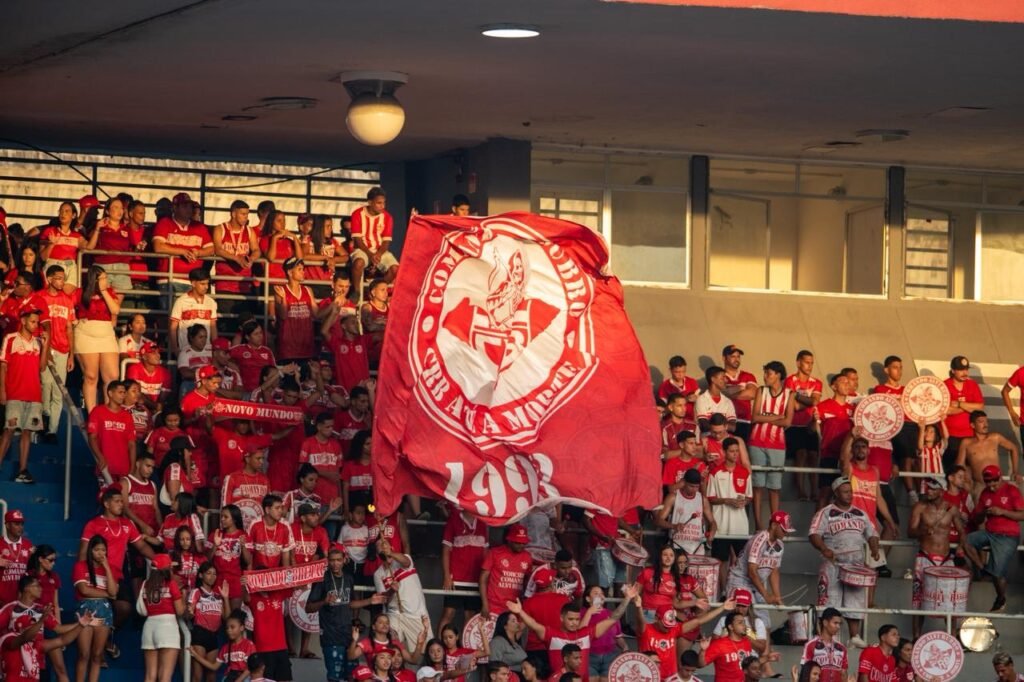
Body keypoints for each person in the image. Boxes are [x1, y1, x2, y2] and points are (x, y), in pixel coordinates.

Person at [506, 583, 639, 682]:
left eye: (577, 619)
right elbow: (534, 625)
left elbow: (613, 618)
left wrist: (627, 598)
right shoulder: (552, 635)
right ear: (561, 618)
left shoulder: (586, 633)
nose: (574, 623)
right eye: (570, 619)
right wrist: (520, 612)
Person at [809, 477, 880, 648]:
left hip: (855, 565)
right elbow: (814, 534)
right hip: (832, 563)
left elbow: (872, 533)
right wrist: (823, 548)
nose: (849, 495)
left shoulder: (860, 513)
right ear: (836, 493)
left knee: (855, 601)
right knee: (830, 600)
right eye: (845, 492)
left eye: (851, 492)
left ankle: (854, 637)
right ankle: (829, 638)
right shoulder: (825, 513)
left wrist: (874, 548)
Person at [307, 546, 385, 682]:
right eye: (332, 560)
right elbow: (308, 608)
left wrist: (370, 601)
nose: (335, 563)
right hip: (330, 637)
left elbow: (350, 604)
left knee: (353, 676)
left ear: (344, 560)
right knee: (335, 677)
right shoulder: (322, 580)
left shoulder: (348, 578)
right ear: (328, 561)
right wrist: (324, 601)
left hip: (347, 636)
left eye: (338, 560)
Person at [0, 575, 94, 682]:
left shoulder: (41, 610)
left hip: (37, 656)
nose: (41, 588)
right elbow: (24, 637)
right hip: (13, 654)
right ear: (26, 588)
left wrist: (80, 624)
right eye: (37, 585)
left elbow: (59, 631)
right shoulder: (10, 608)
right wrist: (40, 621)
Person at [908, 476, 966, 638]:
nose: (929, 491)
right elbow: (910, 531)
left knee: (950, 601)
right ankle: (916, 638)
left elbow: (962, 532)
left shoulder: (952, 509)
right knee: (918, 599)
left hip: (946, 558)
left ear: (941, 491)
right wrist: (923, 531)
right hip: (925, 556)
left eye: (933, 489)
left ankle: (951, 637)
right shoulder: (920, 507)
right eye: (928, 488)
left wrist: (961, 546)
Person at [964, 464, 1024, 612]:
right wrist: (983, 513)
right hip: (989, 533)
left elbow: (1022, 514)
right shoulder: (985, 493)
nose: (991, 486)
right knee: (966, 541)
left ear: (1000, 478)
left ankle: (1001, 599)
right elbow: (976, 520)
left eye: (994, 482)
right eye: (988, 483)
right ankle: (982, 568)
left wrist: (1002, 512)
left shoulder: (1011, 490)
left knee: (997, 573)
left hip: (1008, 536)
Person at [636, 597, 736, 681]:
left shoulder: (673, 629)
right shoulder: (646, 630)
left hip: (671, 679)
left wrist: (722, 607)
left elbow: (698, 621)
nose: (668, 629)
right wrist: (638, 607)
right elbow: (640, 620)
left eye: (670, 625)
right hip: (650, 677)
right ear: (656, 619)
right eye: (665, 626)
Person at [748, 360, 795, 529]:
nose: (765, 376)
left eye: (768, 373)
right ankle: (758, 525)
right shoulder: (761, 390)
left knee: (774, 487)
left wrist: (766, 417)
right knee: (757, 486)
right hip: (756, 442)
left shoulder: (790, 394)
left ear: (778, 375)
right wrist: (777, 417)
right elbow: (754, 417)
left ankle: (774, 525)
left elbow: (788, 422)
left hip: (777, 444)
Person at [0, 308, 44, 483]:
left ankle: (23, 470)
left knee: (27, 432)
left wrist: (47, 343)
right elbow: (3, 366)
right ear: (24, 321)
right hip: (15, 393)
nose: (35, 325)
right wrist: (2, 390)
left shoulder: (39, 342)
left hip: (34, 394)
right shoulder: (10, 338)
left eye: (37, 322)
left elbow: (42, 367)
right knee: (9, 431)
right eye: (33, 321)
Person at [74, 265, 123, 413]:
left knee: (112, 376)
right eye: (102, 278)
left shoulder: (110, 292)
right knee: (91, 376)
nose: (105, 281)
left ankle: (109, 412)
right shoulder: (80, 293)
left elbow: (115, 310)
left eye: (105, 278)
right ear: (93, 280)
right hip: (86, 334)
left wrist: (104, 291)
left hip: (106, 334)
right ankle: (92, 413)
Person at [708, 436, 752, 593]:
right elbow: (711, 498)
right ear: (724, 452)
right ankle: (724, 591)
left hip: (740, 525)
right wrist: (727, 500)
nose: (735, 454)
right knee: (721, 561)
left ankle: (739, 590)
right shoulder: (715, 472)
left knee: (741, 560)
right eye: (732, 451)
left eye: (737, 451)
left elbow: (749, 496)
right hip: (721, 524)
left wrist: (743, 502)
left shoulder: (744, 472)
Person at [725, 510, 796, 604]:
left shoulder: (780, 545)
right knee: (745, 611)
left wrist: (777, 597)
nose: (786, 533)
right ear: (774, 525)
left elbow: (774, 571)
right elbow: (752, 572)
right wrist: (766, 595)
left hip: (756, 586)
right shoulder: (759, 540)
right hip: (739, 581)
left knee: (763, 614)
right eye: (783, 530)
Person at [38, 264, 75, 443]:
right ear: (49, 279)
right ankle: (44, 416)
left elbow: (70, 329)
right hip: (44, 346)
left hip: (62, 348)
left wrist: (72, 355)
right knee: (45, 384)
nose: (62, 282)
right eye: (58, 278)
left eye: (63, 279)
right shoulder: (39, 297)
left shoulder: (67, 300)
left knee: (59, 390)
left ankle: (52, 430)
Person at [151, 192, 213, 293]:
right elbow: (158, 247)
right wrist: (183, 251)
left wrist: (198, 252)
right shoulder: (164, 223)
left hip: (194, 282)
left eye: (190, 206)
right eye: (184, 206)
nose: (189, 209)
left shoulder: (199, 227)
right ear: (175, 208)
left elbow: (211, 249)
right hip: (169, 279)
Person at [438, 507, 487, 633]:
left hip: (475, 579)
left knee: (470, 616)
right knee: (448, 613)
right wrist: (447, 576)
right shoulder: (453, 519)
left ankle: (465, 645)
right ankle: (439, 643)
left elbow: (485, 552)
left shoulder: (482, 522)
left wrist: (484, 578)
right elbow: (445, 550)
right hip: (456, 578)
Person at [139, 553, 185, 682]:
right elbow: (180, 611)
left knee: (149, 676)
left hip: (149, 627)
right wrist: (184, 597)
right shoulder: (171, 584)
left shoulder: (146, 584)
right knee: (165, 677)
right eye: (170, 567)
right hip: (167, 626)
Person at [700, 609, 780, 682]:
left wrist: (767, 658)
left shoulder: (746, 642)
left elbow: (748, 665)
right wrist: (703, 651)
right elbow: (701, 664)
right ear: (731, 627)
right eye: (740, 623)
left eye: (744, 622)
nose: (744, 625)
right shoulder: (719, 644)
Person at [785, 350, 823, 502]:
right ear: (798, 363)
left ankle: (814, 491)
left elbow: (815, 401)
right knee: (800, 453)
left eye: (812, 363)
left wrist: (797, 396)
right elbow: (793, 406)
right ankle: (800, 490)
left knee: (813, 455)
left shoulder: (817, 382)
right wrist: (808, 401)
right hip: (793, 425)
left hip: (809, 424)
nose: (810, 366)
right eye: (807, 362)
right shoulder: (790, 380)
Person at [814, 373, 854, 508]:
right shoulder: (822, 406)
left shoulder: (853, 409)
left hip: (847, 459)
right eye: (843, 382)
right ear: (833, 386)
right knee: (825, 493)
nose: (847, 385)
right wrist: (812, 421)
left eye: (848, 382)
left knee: (846, 495)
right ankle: (818, 522)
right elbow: (812, 430)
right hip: (829, 456)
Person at [956, 410, 1021, 494]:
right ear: (972, 425)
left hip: (998, 483)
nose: (985, 424)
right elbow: (960, 465)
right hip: (980, 485)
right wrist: (966, 480)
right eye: (981, 422)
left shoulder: (995, 437)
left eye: (986, 421)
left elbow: (1014, 448)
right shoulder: (966, 443)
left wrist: (1015, 471)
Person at [350, 187, 399, 295]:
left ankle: (375, 291)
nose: (383, 206)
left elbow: (386, 241)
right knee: (358, 263)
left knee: (395, 269)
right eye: (379, 203)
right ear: (370, 202)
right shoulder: (357, 214)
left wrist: (378, 254)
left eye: (384, 203)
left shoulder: (387, 217)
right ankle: (357, 292)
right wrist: (370, 254)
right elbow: (357, 240)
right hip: (362, 250)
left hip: (380, 251)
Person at [655, 468, 715, 556]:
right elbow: (658, 521)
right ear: (684, 482)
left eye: (697, 487)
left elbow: (712, 522)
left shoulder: (703, 500)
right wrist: (673, 526)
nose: (694, 490)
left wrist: (712, 532)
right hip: (677, 545)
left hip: (697, 547)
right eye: (691, 486)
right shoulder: (673, 497)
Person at [86, 380, 136, 482]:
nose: (123, 395)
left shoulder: (127, 416)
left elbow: (132, 444)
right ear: (110, 393)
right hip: (105, 469)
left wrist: (132, 467)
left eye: (124, 393)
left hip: (124, 471)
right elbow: (92, 438)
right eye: (120, 392)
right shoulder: (97, 411)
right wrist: (100, 457)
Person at [187, 563, 229, 682]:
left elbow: (226, 617)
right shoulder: (197, 592)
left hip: (213, 635)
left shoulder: (218, 595)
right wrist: (190, 611)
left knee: (211, 676)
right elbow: (189, 613)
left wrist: (226, 598)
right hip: (200, 634)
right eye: (209, 573)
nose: (212, 576)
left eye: (214, 574)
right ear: (201, 575)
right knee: (198, 675)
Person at [479, 524, 532, 619]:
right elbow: (483, 579)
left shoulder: (527, 557)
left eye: (524, 543)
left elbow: (527, 583)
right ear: (509, 540)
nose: (521, 545)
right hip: (494, 606)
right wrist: (485, 604)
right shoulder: (495, 553)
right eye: (518, 542)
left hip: (515, 607)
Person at [189, 609, 256, 682]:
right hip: (230, 677)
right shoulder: (225, 648)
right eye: (227, 628)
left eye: (232, 627)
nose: (229, 630)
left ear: (242, 628)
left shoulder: (248, 645)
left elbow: (249, 668)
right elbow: (214, 667)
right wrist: (195, 655)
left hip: (244, 678)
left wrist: (237, 681)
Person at [213, 199, 262, 299]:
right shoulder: (220, 229)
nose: (246, 217)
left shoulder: (249, 230)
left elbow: (256, 250)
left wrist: (251, 259)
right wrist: (237, 258)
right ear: (233, 214)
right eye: (243, 214)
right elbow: (218, 249)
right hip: (224, 282)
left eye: (247, 214)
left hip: (244, 283)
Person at [943, 356, 985, 471]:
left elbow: (980, 407)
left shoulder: (972, 385)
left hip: (970, 434)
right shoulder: (945, 385)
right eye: (961, 370)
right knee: (953, 469)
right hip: (951, 436)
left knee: (970, 469)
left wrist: (959, 404)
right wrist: (969, 406)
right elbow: (946, 410)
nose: (964, 373)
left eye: (966, 369)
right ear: (953, 370)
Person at [271, 257, 316, 362]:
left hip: (306, 346)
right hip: (288, 349)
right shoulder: (280, 291)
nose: (303, 272)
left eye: (303, 269)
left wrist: (334, 305)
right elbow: (283, 315)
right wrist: (283, 298)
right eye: (299, 269)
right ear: (290, 272)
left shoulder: (308, 290)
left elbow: (317, 313)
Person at [169, 267, 217, 356]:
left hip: (206, 352)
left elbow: (213, 327)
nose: (206, 287)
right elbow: (173, 327)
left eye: (207, 283)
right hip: (186, 351)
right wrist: (175, 349)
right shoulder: (181, 301)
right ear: (193, 283)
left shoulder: (211, 302)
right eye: (202, 284)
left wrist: (215, 348)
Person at [40, 200, 86, 284]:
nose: (63, 213)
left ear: (74, 215)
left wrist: (97, 229)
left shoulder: (77, 235)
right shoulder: (49, 231)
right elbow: (43, 257)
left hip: (70, 268)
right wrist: (51, 244)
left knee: (69, 291)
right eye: (61, 211)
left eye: (67, 211)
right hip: (52, 267)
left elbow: (90, 247)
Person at [799, 607, 848, 682]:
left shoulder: (842, 648)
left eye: (839, 624)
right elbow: (805, 672)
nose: (838, 627)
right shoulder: (811, 645)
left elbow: (844, 674)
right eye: (835, 623)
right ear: (825, 623)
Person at [248, 494, 295, 569]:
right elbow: (249, 552)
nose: (280, 511)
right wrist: (249, 573)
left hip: (275, 573)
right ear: (267, 510)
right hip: (257, 572)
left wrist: (286, 574)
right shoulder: (255, 524)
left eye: (281, 508)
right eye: (277, 508)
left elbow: (285, 553)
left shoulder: (285, 525)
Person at [721, 345, 758, 440]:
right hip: (725, 422)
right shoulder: (719, 376)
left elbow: (752, 393)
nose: (736, 359)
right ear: (724, 358)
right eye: (733, 356)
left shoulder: (748, 375)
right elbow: (719, 392)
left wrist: (728, 393)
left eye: (738, 356)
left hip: (745, 422)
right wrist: (741, 388)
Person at [656, 355, 699, 428]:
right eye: (677, 372)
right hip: (673, 424)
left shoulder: (692, 382)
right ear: (670, 370)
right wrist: (685, 400)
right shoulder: (665, 386)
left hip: (690, 421)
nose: (681, 375)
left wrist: (697, 398)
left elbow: (698, 403)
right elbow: (663, 411)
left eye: (683, 371)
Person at [0, 510, 32, 604]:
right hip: (2, 601)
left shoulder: (28, 545)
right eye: (17, 524)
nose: (20, 527)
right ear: (7, 525)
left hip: (22, 601)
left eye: (22, 524)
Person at [695, 366, 736, 433]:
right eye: (722, 378)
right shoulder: (701, 399)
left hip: (725, 437)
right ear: (713, 379)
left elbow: (733, 427)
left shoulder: (727, 401)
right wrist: (723, 427)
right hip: (708, 436)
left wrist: (715, 427)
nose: (726, 380)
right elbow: (704, 426)